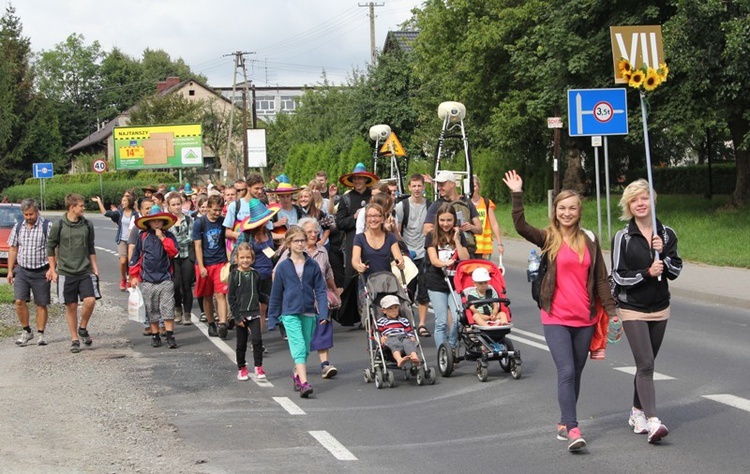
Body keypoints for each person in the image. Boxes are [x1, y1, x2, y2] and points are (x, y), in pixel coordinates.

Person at [503, 170, 616, 452]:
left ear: (579, 211)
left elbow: (601, 277)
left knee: (575, 372)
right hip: (555, 316)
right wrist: (517, 195)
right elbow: (520, 227)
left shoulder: (589, 239)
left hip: (586, 317)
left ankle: (565, 421)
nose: (566, 213)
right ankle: (573, 428)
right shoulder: (548, 237)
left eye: (572, 208)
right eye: (562, 208)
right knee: (565, 370)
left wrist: (612, 312)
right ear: (555, 211)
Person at [611, 179, 682, 444]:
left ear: (653, 201)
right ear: (628, 205)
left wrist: (662, 257)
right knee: (646, 364)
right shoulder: (623, 236)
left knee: (646, 366)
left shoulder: (666, 234)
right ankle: (653, 421)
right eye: (634, 200)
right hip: (633, 308)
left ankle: (637, 412)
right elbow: (618, 275)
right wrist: (646, 273)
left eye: (644, 199)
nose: (640, 204)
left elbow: (675, 270)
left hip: (660, 307)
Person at [268, 226, 329, 398]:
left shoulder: (312, 265)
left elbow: (321, 290)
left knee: (306, 348)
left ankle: (296, 374)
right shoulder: (283, 268)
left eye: (303, 240)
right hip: (289, 313)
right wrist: (272, 318)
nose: (300, 244)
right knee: (299, 348)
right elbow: (276, 294)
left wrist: (323, 312)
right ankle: (304, 383)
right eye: (296, 241)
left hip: (309, 311)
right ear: (288, 243)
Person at [276, 217, 339, 379]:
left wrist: (335, 292)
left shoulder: (322, 251)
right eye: (309, 232)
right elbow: (276, 274)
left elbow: (328, 273)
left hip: (320, 299)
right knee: (302, 338)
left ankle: (325, 364)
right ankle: (299, 367)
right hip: (298, 304)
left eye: (315, 232)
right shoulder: (289, 254)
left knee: (323, 329)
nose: (313, 235)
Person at [47, 193, 99, 354]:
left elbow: (90, 247)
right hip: (66, 272)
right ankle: (74, 338)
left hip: (84, 270)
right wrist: (52, 268)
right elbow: (51, 247)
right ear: (72, 207)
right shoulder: (59, 225)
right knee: (72, 306)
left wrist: (95, 267)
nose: (84, 208)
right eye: (81, 206)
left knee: (90, 301)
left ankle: (83, 328)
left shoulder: (87, 225)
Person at [129, 206, 179, 349]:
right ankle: (155, 335)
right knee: (151, 309)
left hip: (165, 278)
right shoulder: (143, 237)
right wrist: (133, 276)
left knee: (168, 308)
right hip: (147, 279)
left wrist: (162, 238)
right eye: (153, 221)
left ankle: (170, 335)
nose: (156, 223)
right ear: (149, 222)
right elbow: (136, 257)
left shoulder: (169, 236)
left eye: (159, 221)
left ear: (163, 223)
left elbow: (173, 252)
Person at [336, 163, 378, 325]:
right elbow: (340, 223)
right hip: (352, 243)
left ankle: (370, 315)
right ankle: (352, 315)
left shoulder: (373, 196)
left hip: (372, 242)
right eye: (355, 178)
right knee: (352, 279)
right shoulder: (346, 199)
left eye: (361, 178)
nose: (358, 181)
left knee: (371, 276)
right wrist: (354, 218)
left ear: (366, 179)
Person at [424, 203, 469, 350]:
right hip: (437, 282)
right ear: (437, 220)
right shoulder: (432, 235)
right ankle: (442, 354)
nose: (445, 224)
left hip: (455, 283)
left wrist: (456, 240)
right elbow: (433, 259)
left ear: (454, 220)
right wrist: (444, 262)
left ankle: (451, 346)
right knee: (441, 321)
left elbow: (465, 258)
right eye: (442, 220)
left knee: (458, 319)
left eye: (449, 220)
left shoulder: (459, 235)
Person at [7, 198, 51, 346]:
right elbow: (13, 249)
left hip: (41, 271)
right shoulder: (18, 226)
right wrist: (10, 271)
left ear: (37, 211)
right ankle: (26, 331)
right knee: (19, 301)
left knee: (41, 303)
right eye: (25, 214)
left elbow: (53, 250)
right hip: (22, 270)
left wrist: (52, 268)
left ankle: (41, 334)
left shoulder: (47, 226)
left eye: (31, 214)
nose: (28, 217)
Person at [395, 173, 432, 337]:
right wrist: (401, 251)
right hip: (408, 254)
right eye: (414, 186)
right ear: (409, 187)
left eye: (419, 185)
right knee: (407, 291)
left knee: (424, 290)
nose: (417, 189)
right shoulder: (402, 206)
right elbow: (396, 229)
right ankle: (407, 323)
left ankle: (422, 324)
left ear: (423, 187)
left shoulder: (430, 206)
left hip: (425, 252)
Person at [228, 243, 267, 382]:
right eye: (242, 257)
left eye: (248, 257)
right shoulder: (234, 275)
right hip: (241, 315)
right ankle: (241, 368)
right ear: (237, 259)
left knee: (257, 340)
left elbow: (258, 293)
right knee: (241, 344)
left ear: (252, 259)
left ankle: (258, 366)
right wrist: (237, 317)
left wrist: (270, 300)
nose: (245, 260)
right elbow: (231, 297)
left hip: (254, 312)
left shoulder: (255, 274)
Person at [192, 194, 229, 338]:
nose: (217, 213)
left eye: (219, 210)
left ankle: (223, 323)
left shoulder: (223, 222)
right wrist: (201, 266)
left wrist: (228, 261)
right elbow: (198, 246)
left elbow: (225, 242)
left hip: (220, 262)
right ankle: (211, 322)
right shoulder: (200, 223)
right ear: (207, 208)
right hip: (205, 263)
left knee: (220, 293)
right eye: (214, 210)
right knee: (207, 296)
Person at [423, 170, 482, 258]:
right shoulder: (437, 205)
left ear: (452, 184)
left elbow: (479, 229)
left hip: (467, 252)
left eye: (442, 184)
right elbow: (426, 230)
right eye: (438, 185)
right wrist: (448, 230)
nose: (439, 188)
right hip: (445, 253)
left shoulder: (467, 203)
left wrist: (470, 227)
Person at [92, 193, 138, 291]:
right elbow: (105, 213)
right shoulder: (119, 213)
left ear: (129, 202)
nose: (122, 202)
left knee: (131, 261)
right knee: (122, 261)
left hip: (132, 241)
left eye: (124, 201)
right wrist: (99, 202)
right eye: (122, 201)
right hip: (121, 240)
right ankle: (123, 278)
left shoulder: (135, 214)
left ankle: (130, 279)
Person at [352, 203, 405, 279]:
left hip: (387, 282)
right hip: (367, 283)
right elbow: (355, 260)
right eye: (370, 216)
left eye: (376, 216)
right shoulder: (359, 238)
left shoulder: (390, 237)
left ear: (383, 219)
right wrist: (358, 266)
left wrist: (400, 263)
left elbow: (398, 257)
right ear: (366, 219)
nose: (373, 219)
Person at [166, 192, 194, 325]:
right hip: (172, 257)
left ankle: (187, 314)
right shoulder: (167, 221)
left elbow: (191, 238)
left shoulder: (188, 219)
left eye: (178, 204)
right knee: (176, 285)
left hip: (187, 255)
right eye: (173, 205)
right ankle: (178, 309)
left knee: (187, 285)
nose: (176, 207)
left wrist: (175, 241)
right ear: (169, 206)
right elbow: (166, 239)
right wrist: (173, 243)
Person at [376, 294, 420, 368]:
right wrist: (381, 338)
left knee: (408, 342)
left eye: (396, 307)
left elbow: (408, 330)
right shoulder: (382, 321)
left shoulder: (403, 320)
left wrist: (411, 336)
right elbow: (377, 332)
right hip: (390, 337)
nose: (394, 310)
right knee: (395, 344)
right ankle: (399, 359)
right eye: (390, 308)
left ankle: (414, 357)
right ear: (384, 310)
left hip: (403, 336)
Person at [471, 174, 505, 260]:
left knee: (484, 272)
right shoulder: (464, 202)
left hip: (484, 247)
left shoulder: (486, 202)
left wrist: (500, 244)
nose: (472, 189)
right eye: (470, 186)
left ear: (478, 187)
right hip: (469, 246)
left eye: (474, 186)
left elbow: (494, 224)